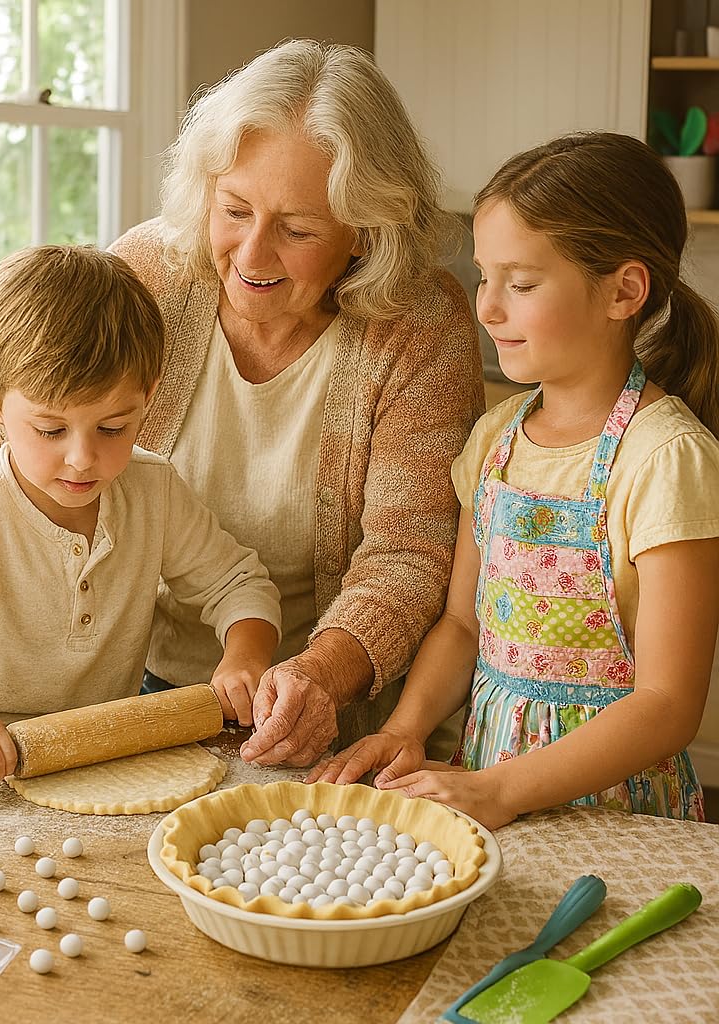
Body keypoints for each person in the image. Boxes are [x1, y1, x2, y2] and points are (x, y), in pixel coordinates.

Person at [0, 39, 484, 768]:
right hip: (150, 692)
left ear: (364, 231)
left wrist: (316, 674)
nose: (252, 254)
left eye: (297, 229)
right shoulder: (156, 270)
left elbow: (408, 556)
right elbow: (0, 419)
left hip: (334, 711)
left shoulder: (418, 326)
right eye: (234, 209)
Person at [308, 132, 719, 827]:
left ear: (624, 290)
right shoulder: (496, 440)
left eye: (521, 284)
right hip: (488, 789)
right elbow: (463, 623)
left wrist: (503, 790)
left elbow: (667, 707)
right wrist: (406, 727)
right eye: (484, 276)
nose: (487, 307)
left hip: (616, 817)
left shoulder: (665, 458)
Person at [0, 245, 282, 786]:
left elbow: (239, 584)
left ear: (148, 395)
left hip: (102, 762)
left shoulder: (154, 493)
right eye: (50, 430)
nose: (82, 458)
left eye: (113, 427)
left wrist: (245, 656)